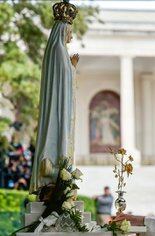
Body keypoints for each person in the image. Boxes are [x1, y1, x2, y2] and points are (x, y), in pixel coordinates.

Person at [29, 0, 79, 193]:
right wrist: (72, 69)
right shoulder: (59, 51)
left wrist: (71, 67)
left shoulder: (56, 51)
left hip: (59, 104)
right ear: (62, 30)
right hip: (58, 109)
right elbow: (63, 81)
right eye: (69, 31)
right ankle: (53, 180)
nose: (71, 35)